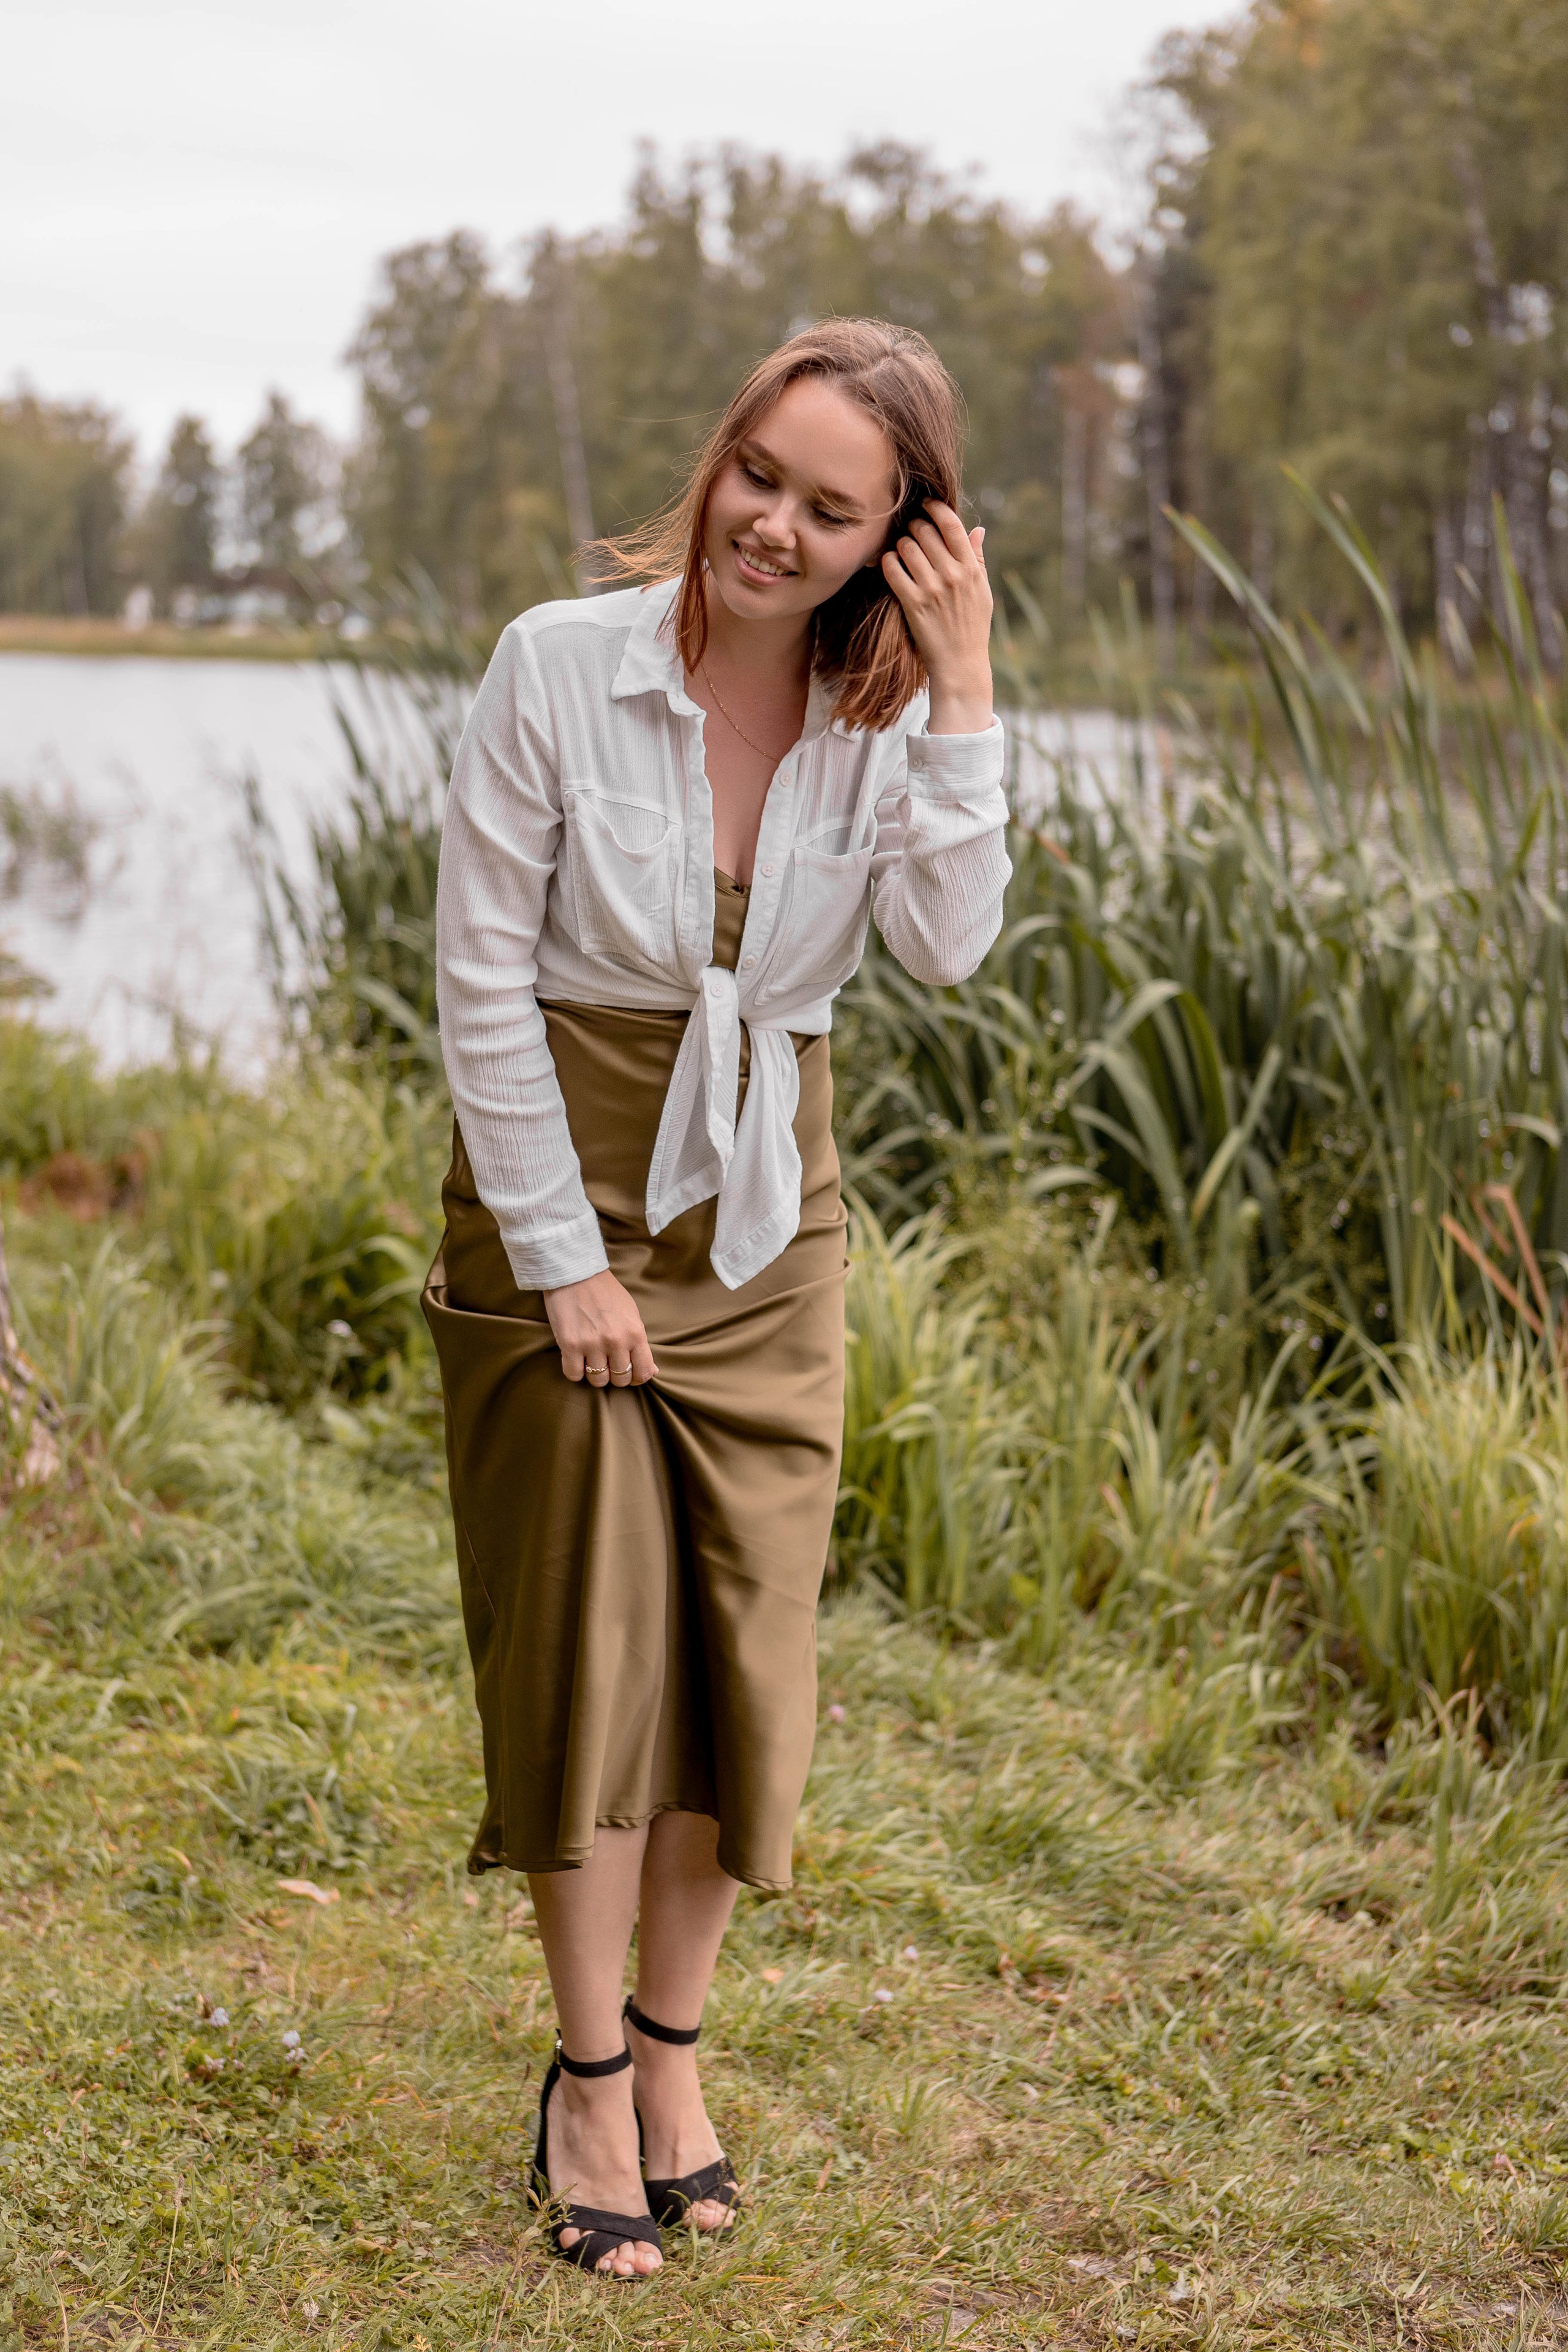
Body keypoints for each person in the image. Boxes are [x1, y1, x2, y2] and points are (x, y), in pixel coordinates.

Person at [423, 316, 1009, 2277]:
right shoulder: (553, 667)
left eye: (832, 509)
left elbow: (941, 946)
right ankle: (585, 2077)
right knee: (590, 1648)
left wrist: (964, 689)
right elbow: (483, 983)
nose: (771, 526)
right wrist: (564, 1255)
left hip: (773, 1220)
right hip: (560, 1183)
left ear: (896, 538)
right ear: (721, 451)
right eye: (761, 473)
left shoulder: (884, 710)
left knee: (744, 1653)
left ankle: (675, 2055)